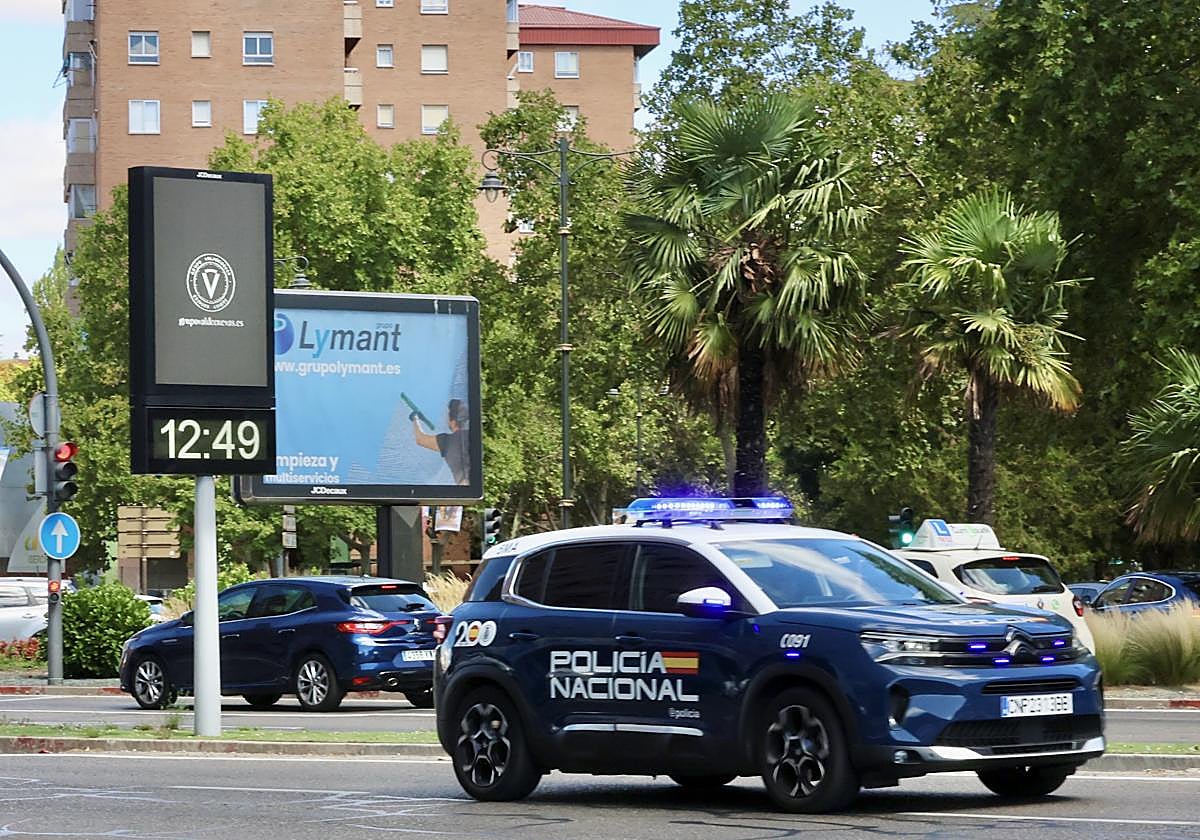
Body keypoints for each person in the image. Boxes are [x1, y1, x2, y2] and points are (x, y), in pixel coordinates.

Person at [412, 399, 470, 485]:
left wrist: (414, 418)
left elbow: (420, 439)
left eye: (447, 416)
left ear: (453, 422)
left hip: (465, 488)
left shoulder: (448, 441)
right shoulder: (471, 435)